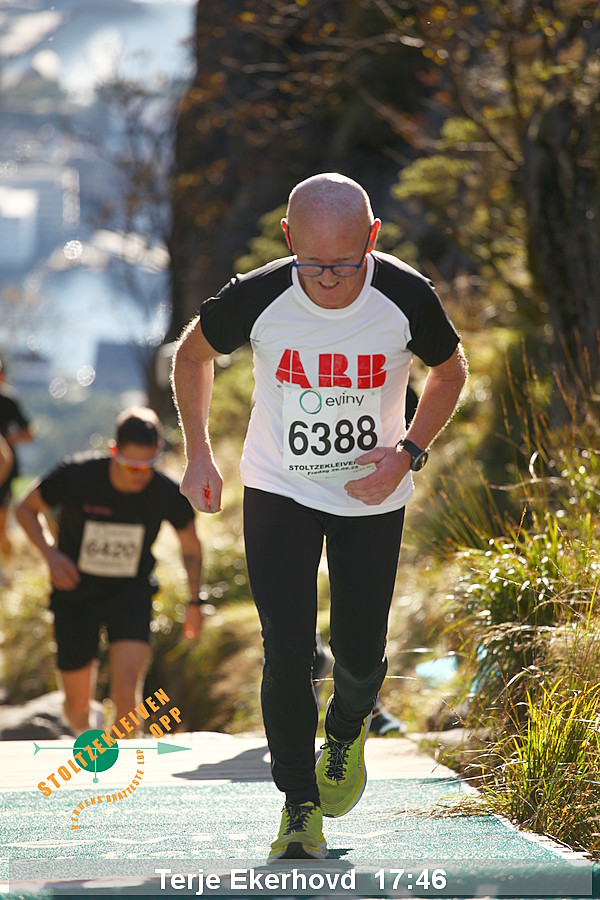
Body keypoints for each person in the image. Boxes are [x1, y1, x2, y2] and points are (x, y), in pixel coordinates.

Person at [172, 173, 468, 861]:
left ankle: (347, 725)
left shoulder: (405, 296)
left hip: (372, 494)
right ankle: (299, 806)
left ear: (373, 237)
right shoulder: (260, 294)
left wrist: (408, 452)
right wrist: (199, 456)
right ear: (288, 240)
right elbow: (192, 354)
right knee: (288, 649)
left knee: (360, 655)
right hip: (279, 488)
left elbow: (451, 372)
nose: (329, 280)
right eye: (312, 264)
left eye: (345, 263)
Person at [14, 407, 205, 734]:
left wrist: (195, 602)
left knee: (127, 688)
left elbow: (191, 545)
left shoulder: (165, 492)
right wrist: (52, 556)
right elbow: (26, 509)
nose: (139, 475)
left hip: (130, 592)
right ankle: (89, 744)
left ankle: (126, 757)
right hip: (75, 591)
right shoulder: (77, 475)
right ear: (114, 451)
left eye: (148, 465)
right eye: (131, 465)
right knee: (76, 705)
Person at [0, 357, 34, 564]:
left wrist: (6, 441)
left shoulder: (8, 400)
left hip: (4, 469)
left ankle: (7, 570)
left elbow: (29, 433)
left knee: (1, 523)